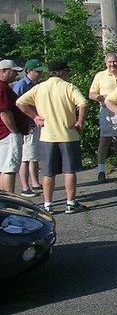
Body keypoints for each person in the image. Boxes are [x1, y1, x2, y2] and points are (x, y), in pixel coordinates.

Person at [16, 60, 90, 214]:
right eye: (68, 71)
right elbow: (83, 104)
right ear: (62, 72)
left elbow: (20, 102)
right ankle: (70, 202)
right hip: (68, 134)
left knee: (49, 172)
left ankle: (48, 204)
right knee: (70, 171)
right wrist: (80, 122)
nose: (69, 74)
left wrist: (35, 116)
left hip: (47, 135)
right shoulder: (68, 87)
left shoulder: (39, 88)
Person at [88, 53, 117, 182]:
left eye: (115, 62)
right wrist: (101, 97)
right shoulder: (100, 76)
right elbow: (91, 94)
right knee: (105, 141)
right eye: (109, 62)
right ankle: (101, 171)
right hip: (107, 111)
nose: (112, 64)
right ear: (106, 63)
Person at [13, 59, 44, 196]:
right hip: (27, 125)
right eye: (38, 71)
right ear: (29, 71)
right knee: (26, 157)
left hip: (35, 124)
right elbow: (17, 106)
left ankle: (35, 182)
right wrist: (24, 123)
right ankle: (25, 187)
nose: (40, 74)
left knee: (34, 156)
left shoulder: (37, 85)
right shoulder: (21, 86)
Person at [0, 60, 32, 195]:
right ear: (4, 71)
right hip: (8, 134)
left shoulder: (4, 87)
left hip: (5, 133)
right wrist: (14, 132)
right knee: (9, 169)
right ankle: (9, 202)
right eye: (14, 72)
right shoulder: (2, 88)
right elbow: (4, 112)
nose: (16, 75)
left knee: (4, 168)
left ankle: (4, 201)